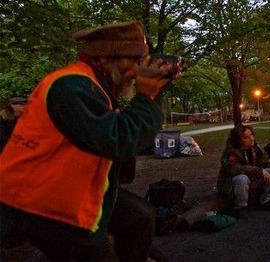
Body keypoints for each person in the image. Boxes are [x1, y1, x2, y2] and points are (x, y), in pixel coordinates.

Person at [0, 21, 170, 260]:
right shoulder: (70, 86)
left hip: (66, 186)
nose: (137, 70)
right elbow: (117, 140)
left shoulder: (96, 87)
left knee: (139, 218)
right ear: (103, 58)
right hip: (38, 199)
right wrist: (146, 97)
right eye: (132, 60)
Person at [217, 125, 270, 219]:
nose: (251, 138)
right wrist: (259, 170)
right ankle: (240, 207)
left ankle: (265, 200)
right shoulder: (231, 151)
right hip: (230, 184)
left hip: (251, 180)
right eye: (246, 137)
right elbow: (235, 169)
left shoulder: (255, 148)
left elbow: (266, 161)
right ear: (238, 140)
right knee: (241, 178)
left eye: (251, 135)